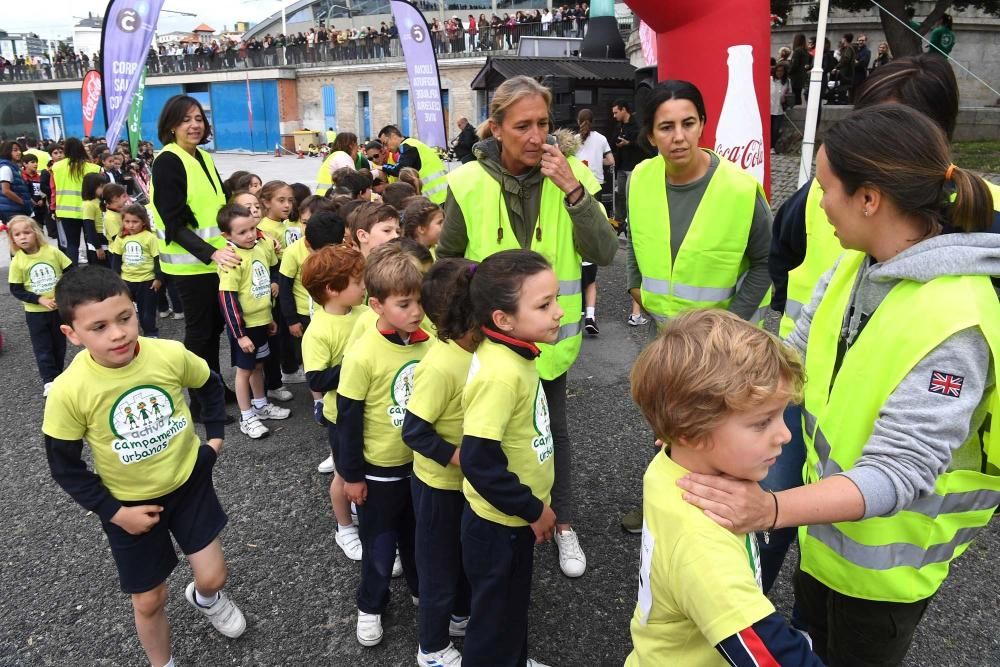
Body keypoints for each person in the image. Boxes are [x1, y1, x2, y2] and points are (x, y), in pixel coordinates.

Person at [681, 104, 1000, 666]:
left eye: (825, 188)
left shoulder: (957, 319)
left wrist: (768, 510)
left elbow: (901, 469)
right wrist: (701, 408)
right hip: (822, 537)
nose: (816, 202)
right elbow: (789, 361)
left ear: (870, 198)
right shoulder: (857, 266)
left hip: (883, 579)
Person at [439, 75, 618, 578]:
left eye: (544, 123)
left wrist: (574, 193)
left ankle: (562, 524)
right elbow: (447, 263)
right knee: (485, 434)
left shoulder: (573, 175)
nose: (537, 136)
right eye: (523, 126)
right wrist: (462, 327)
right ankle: (492, 521)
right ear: (495, 128)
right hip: (486, 344)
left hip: (549, 343)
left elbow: (604, 252)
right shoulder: (468, 182)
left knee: (549, 433)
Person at [43, 266, 245, 667]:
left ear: (136, 310)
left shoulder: (166, 353)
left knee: (213, 577)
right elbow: (65, 467)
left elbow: (206, 382)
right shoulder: (68, 391)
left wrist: (215, 438)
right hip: (130, 506)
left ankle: (205, 599)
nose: (117, 333)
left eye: (124, 318)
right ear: (72, 334)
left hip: (189, 485)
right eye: (98, 327)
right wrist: (115, 512)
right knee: (149, 599)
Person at [626, 309, 821, 666]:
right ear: (691, 431)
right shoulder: (703, 547)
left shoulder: (670, 462)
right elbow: (773, 657)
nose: (786, 435)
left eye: (781, 415)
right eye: (762, 423)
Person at [621, 80, 772, 534]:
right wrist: (634, 285)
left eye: (689, 123)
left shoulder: (741, 190)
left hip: (721, 347)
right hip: (663, 337)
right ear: (650, 135)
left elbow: (767, 262)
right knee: (667, 428)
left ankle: (710, 520)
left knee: (716, 435)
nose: (679, 136)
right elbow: (635, 239)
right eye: (666, 127)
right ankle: (660, 508)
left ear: (703, 124)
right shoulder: (641, 178)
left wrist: (731, 322)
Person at [456, 249, 558, 667]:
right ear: (503, 319)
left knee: (510, 609)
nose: (558, 312)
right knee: (492, 621)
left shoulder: (516, 356)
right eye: (544, 305)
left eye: (555, 299)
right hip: (499, 525)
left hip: (511, 521)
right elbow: (479, 461)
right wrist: (532, 509)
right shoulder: (501, 373)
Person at [337, 243, 430, 647]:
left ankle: (418, 588)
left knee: (417, 535)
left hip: (423, 467)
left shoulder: (429, 342)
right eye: (404, 303)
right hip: (379, 470)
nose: (416, 311)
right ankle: (370, 605)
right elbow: (347, 421)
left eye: (420, 301)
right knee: (379, 543)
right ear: (376, 305)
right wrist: (352, 475)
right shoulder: (362, 356)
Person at [401, 258, 477, 667]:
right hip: (438, 487)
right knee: (438, 569)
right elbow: (414, 430)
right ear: (470, 312)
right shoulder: (441, 365)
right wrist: (456, 456)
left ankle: (460, 617)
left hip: (466, 486)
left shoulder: (475, 350)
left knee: (463, 558)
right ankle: (431, 648)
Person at [150, 95, 239, 423]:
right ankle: (200, 402)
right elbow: (173, 221)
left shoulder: (200, 156)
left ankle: (213, 384)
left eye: (198, 118)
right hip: (191, 266)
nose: (194, 125)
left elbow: (217, 209)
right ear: (171, 126)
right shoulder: (168, 161)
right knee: (200, 332)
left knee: (215, 329)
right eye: (186, 119)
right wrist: (210, 252)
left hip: (215, 263)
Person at [302, 243, 367, 560]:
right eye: (358, 282)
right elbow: (316, 379)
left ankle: (359, 514)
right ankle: (345, 528)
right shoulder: (318, 331)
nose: (365, 287)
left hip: (369, 410)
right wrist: (354, 367)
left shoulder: (365, 314)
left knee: (365, 467)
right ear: (332, 289)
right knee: (344, 473)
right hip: (340, 414)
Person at [216, 203, 290, 440]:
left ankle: (261, 405)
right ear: (226, 236)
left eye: (252, 229)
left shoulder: (259, 246)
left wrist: (268, 318)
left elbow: (269, 271)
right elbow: (227, 300)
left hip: (261, 322)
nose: (249, 235)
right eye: (242, 232)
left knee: (258, 365)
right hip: (244, 328)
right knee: (244, 371)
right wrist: (239, 334)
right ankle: (246, 417)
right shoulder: (231, 260)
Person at [6, 215, 71, 395]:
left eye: (27, 232)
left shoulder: (52, 252)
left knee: (59, 345)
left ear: (36, 233)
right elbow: (16, 289)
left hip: (58, 310)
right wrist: (39, 299)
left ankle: (58, 375)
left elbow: (70, 271)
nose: (23, 237)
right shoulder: (18, 261)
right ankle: (49, 380)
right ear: (13, 239)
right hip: (35, 313)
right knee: (43, 347)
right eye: (17, 235)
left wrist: (63, 293)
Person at [574, 108, 614, 336]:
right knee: (592, 234)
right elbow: (611, 160)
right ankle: (590, 313)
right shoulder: (601, 139)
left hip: (573, 189)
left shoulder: (573, 141)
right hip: (594, 188)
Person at [109, 204, 163, 338]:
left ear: (143, 221)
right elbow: (116, 259)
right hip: (126, 281)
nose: (131, 225)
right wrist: (115, 279)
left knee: (146, 311)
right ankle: (128, 334)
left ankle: (150, 333)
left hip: (146, 281)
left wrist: (158, 278)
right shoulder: (121, 237)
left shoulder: (150, 237)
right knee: (124, 311)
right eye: (127, 221)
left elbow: (158, 259)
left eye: (135, 222)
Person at [52, 137, 101, 265]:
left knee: (72, 244)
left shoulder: (56, 167)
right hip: (88, 210)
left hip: (65, 211)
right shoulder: (93, 168)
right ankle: (93, 270)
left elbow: (53, 188)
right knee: (90, 242)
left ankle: (72, 272)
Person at [377, 125, 449, 204]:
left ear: (393, 136)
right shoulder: (414, 143)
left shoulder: (408, 146)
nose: (386, 148)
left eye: (386, 143)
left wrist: (381, 168)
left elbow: (399, 170)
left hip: (435, 197)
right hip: (443, 194)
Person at [316, 132, 360, 196]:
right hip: (331, 197)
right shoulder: (342, 156)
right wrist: (374, 174)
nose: (357, 149)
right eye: (356, 145)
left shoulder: (334, 156)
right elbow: (354, 180)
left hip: (324, 197)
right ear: (351, 145)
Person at [0, 141, 34, 224]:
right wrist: (22, 201)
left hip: (16, 208)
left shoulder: (14, 167)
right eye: (15, 150)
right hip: (12, 210)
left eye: (19, 150)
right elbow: (6, 190)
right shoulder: (6, 168)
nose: (19, 152)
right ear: (7, 151)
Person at [771, 63, 791, 152]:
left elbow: (790, 94)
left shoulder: (787, 82)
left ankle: (772, 147)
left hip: (779, 110)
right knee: (768, 129)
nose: (780, 73)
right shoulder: (769, 80)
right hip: (769, 109)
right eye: (778, 71)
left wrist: (786, 98)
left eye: (782, 71)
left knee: (776, 129)